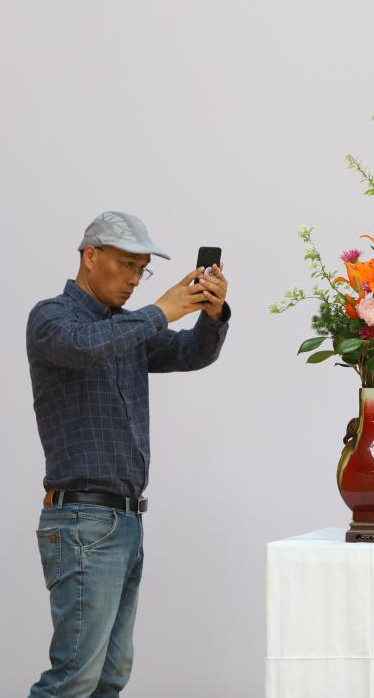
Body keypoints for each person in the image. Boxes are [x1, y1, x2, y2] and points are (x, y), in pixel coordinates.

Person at [25, 211, 230, 697]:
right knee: (74, 678)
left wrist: (211, 314)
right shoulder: (51, 318)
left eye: (142, 269)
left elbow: (192, 354)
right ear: (90, 256)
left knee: (109, 677)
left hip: (123, 521)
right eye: (126, 265)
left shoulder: (128, 329)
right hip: (83, 521)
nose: (135, 279)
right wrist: (160, 311)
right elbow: (84, 346)